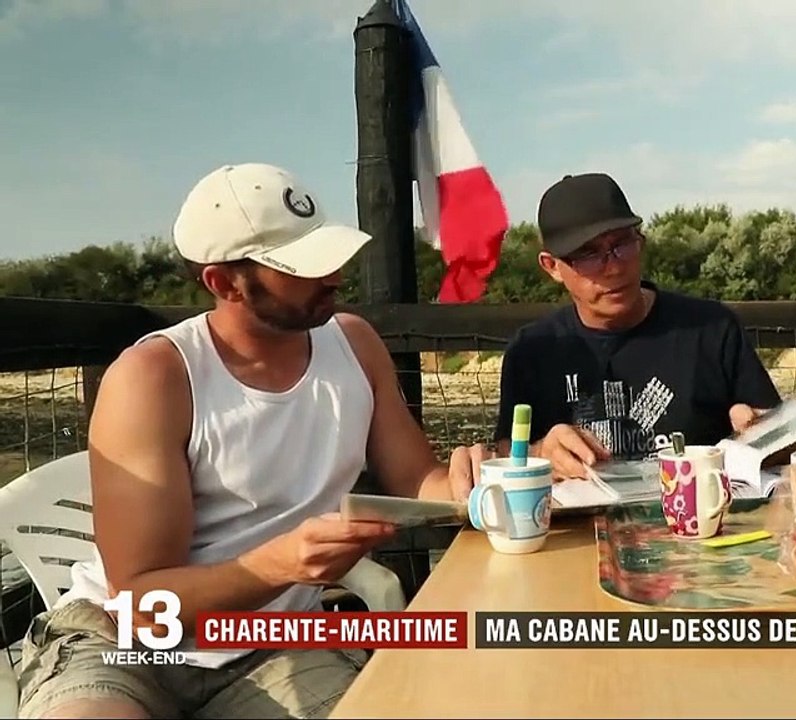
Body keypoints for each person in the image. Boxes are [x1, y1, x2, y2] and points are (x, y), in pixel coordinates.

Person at [15, 162, 489, 719]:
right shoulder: (155, 376)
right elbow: (144, 606)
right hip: (121, 641)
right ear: (222, 282)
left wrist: (489, 476)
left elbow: (420, 480)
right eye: (302, 265)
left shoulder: (354, 346)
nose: (334, 274)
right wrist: (277, 567)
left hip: (272, 636)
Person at [493, 172, 783, 479]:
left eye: (622, 245)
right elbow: (506, 453)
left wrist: (761, 438)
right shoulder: (532, 350)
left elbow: (780, 446)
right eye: (589, 254)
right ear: (552, 267)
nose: (615, 266)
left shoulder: (712, 329)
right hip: (574, 526)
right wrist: (541, 454)